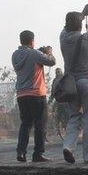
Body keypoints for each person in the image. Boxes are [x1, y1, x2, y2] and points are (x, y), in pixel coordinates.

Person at [60, 3, 88, 163]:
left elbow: (65, 28)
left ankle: (68, 146)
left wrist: (83, 13)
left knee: (73, 117)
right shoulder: (84, 38)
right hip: (86, 81)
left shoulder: (63, 38)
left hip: (70, 85)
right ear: (80, 25)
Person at [12, 29, 56, 162]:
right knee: (40, 124)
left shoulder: (15, 55)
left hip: (21, 94)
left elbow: (29, 59)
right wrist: (49, 52)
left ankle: (21, 152)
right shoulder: (34, 53)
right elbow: (52, 61)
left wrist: (39, 51)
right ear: (32, 41)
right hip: (36, 93)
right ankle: (38, 153)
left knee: (25, 124)